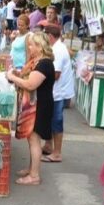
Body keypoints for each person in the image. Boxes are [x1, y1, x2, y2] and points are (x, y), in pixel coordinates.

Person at [6, 32, 55, 185]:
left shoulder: (44, 64)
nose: (29, 46)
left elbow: (30, 85)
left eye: (32, 44)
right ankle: (31, 169)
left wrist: (12, 77)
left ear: (40, 47)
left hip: (40, 106)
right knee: (31, 139)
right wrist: (17, 74)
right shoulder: (37, 61)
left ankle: (34, 176)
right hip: (37, 104)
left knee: (34, 139)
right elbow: (27, 78)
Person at [41, 25, 75, 163]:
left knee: (56, 121)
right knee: (51, 119)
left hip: (58, 92)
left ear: (50, 36)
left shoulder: (58, 50)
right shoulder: (56, 48)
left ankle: (57, 153)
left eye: (45, 37)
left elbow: (56, 74)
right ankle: (49, 146)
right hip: (55, 91)